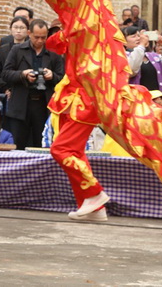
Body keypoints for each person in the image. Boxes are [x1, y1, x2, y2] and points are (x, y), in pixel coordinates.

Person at [50, 43, 110, 222]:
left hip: (83, 101)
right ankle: (94, 208)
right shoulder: (78, 29)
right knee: (75, 153)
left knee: (60, 150)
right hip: (71, 99)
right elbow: (54, 43)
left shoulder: (92, 33)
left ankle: (95, 192)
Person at [3, 19, 63, 149]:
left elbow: (63, 78)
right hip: (21, 103)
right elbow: (6, 74)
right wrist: (22, 74)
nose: (40, 41)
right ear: (29, 33)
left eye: (43, 37)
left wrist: (52, 76)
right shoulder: (17, 50)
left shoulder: (54, 53)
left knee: (41, 144)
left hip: (43, 104)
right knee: (17, 144)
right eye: (36, 37)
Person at [0, 16, 29, 93]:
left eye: (22, 28)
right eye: (15, 27)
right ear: (10, 29)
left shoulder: (32, 49)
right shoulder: (2, 50)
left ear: (28, 31)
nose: (18, 31)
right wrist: (5, 88)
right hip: (5, 91)